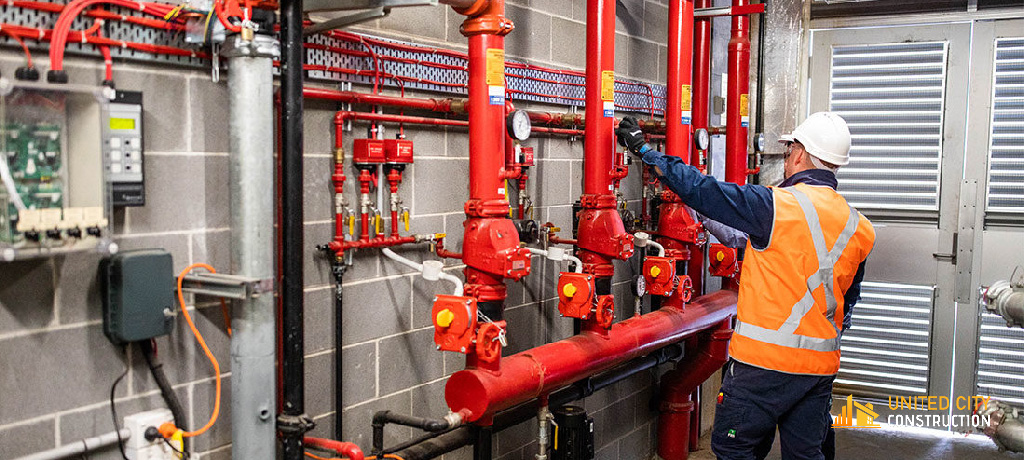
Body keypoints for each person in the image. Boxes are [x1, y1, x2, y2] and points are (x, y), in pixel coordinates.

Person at [616, 112, 875, 460]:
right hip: (818, 371)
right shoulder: (860, 227)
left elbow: (702, 190)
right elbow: (848, 300)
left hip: (761, 368)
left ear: (799, 154)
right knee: (806, 455)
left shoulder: (775, 205)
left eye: (789, 152)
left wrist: (645, 150)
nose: (787, 160)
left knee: (735, 449)